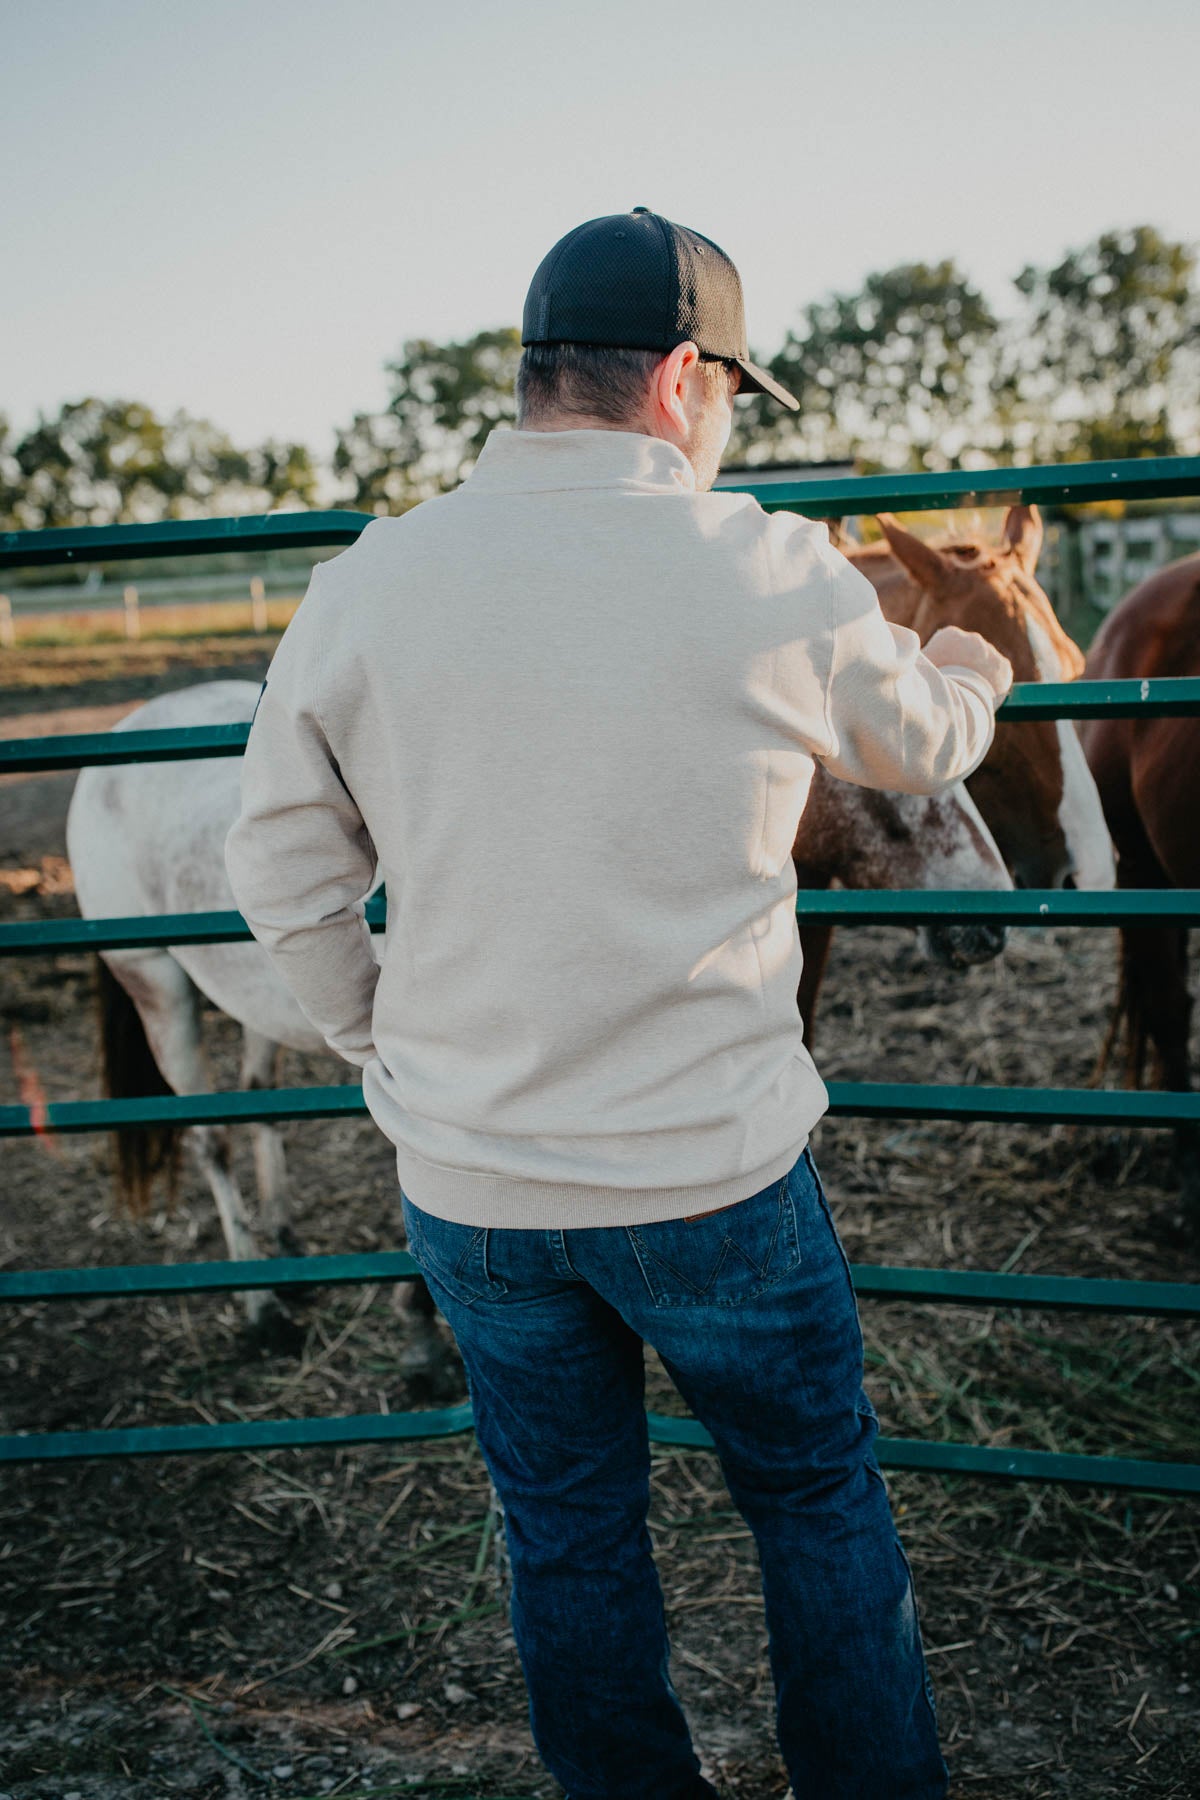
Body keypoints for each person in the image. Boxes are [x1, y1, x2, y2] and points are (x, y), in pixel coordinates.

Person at [225, 207, 1013, 1800]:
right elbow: (923, 751)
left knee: (570, 1537)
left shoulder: (374, 579)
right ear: (677, 379)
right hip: (712, 1174)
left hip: (478, 1184)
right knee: (812, 1503)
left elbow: (282, 873)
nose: (725, 425)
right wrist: (974, 661)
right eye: (729, 392)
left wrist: (387, 1051)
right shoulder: (769, 567)